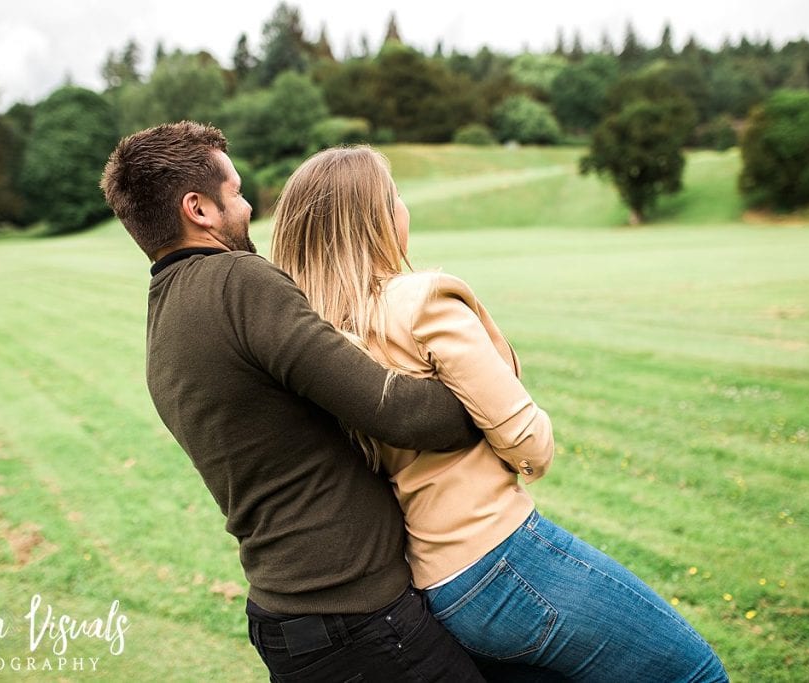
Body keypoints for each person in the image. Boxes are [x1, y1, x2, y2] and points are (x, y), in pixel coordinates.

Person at [271, 145, 730, 683]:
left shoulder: (321, 340)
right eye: (396, 196)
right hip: (504, 558)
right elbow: (528, 443)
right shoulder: (423, 301)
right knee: (696, 672)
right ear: (375, 218)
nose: (403, 208)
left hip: (436, 580)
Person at [99, 122, 486, 682]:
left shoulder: (165, 315)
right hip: (356, 619)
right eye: (234, 192)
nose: (248, 205)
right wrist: (485, 402)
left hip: (290, 620)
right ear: (198, 208)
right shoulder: (237, 282)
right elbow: (395, 410)